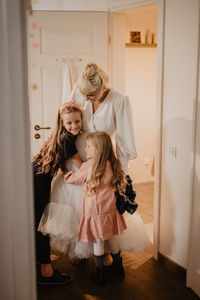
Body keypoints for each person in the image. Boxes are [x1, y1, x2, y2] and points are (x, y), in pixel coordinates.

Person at [39, 62, 149, 260]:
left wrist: (121, 172)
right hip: (78, 159)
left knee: (104, 208)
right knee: (78, 209)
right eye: (84, 94)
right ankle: (82, 253)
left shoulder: (119, 100)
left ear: (102, 86)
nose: (86, 98)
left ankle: (108, 254)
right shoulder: (80, 92)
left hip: (102, 161)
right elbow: (66, 121)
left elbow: (124, 139)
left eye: (91, 95)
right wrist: (65, 155)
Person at [64, 132, 128, 285]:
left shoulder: (89, 166)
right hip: (110, 209)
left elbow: (73, 179)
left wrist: (67, 174)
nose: (85, 149)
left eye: (88, 146)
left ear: (98, 150)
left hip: (95, 211)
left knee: (98, 241)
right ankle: (118, 267)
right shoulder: (112, 163)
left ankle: (99, 273)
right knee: (111, 237)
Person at [33, 102, 82, 285]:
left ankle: (39, 266)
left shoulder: (61, 136)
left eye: (77, 121)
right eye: (69, 123)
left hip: (36, 178)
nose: (74, 126)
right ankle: (46, 272)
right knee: (41, 223)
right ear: (62, 123)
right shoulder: (66, 139)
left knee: (38, 221)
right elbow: (82, 166)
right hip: (38, 181)